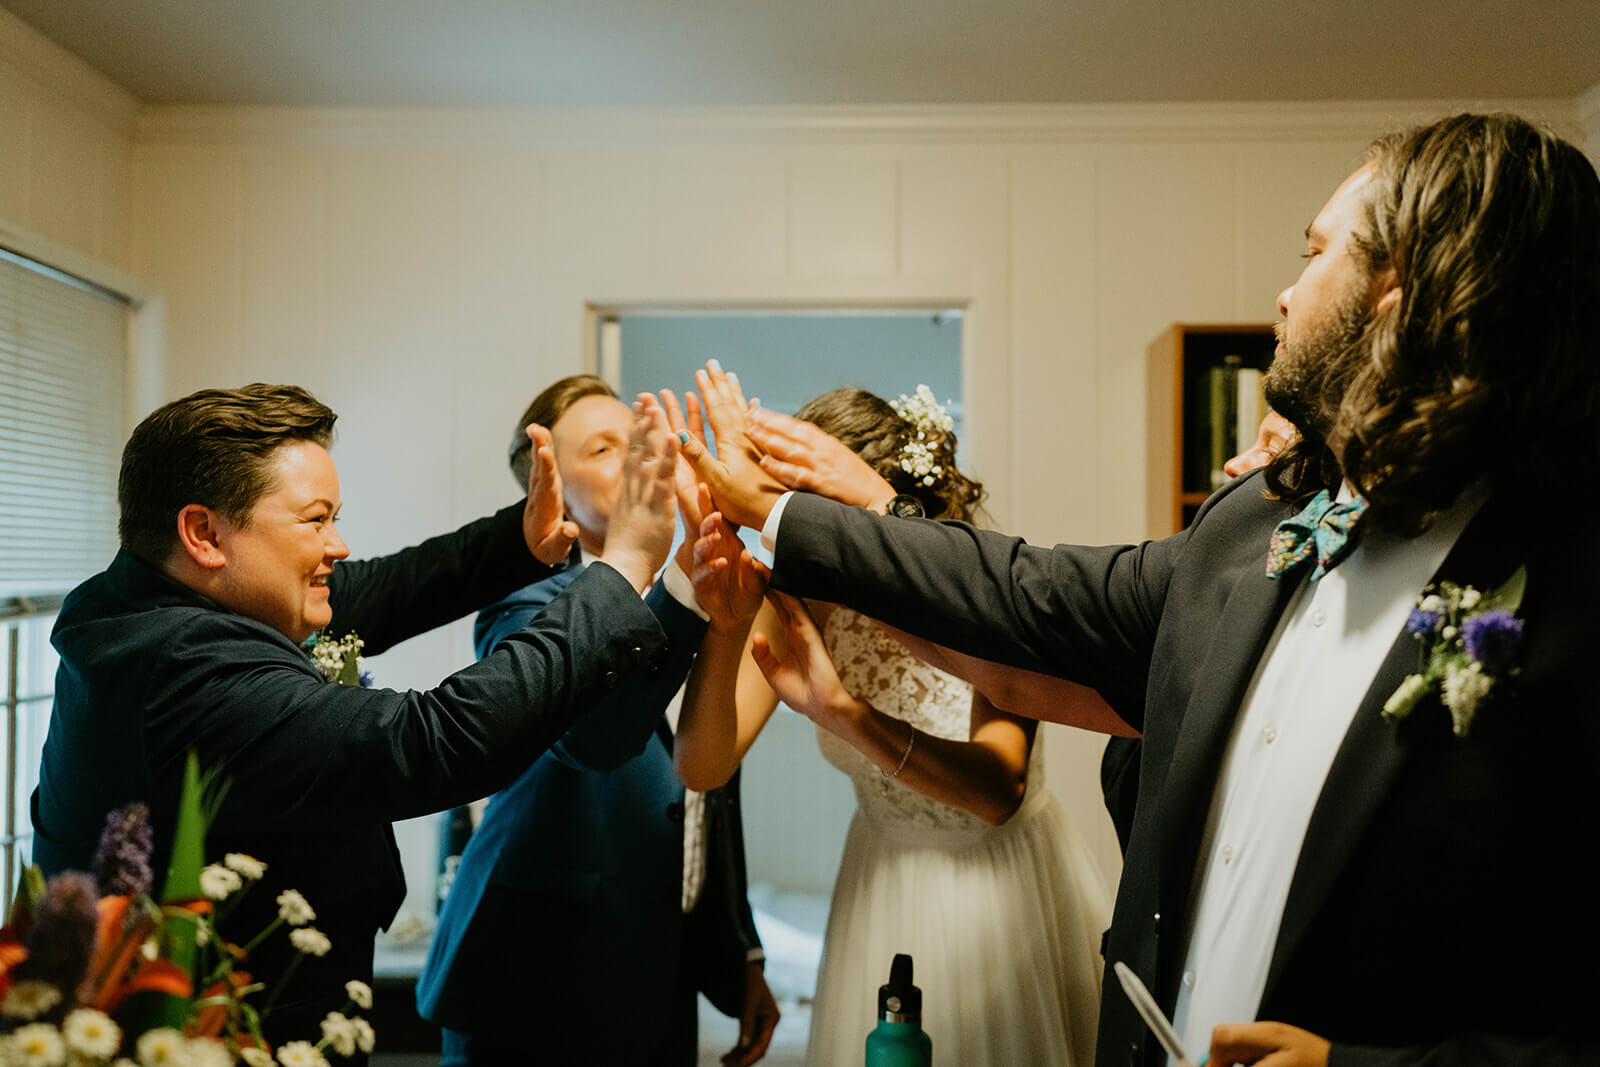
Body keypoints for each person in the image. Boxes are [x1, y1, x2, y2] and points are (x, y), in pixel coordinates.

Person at [681, 113, 1600, 1067]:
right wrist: (801, 515)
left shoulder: (1570, 592)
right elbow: (1031, 602)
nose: (1284, 295)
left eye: (1316, 253)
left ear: (1397, 293)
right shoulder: (1252, 526)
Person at [31, 382, 682, 1052]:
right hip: (222, 1031)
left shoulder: (152, 596)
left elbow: (375, 590)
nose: (337, 545)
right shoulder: (174, 666)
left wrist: (519, 538)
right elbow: (436, 740)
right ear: (203, 532)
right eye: (315, 520)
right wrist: (624, 567)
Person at [677, 381, 1115, 1066]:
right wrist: (727, 627)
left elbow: (998, 793)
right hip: (879, 882)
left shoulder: (972, 584)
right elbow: (703, 765)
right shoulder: (795, 591)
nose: (798, 543)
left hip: (997, 890)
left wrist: (846, 715)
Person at [417, 375, 779, 1066]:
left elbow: (704, 794)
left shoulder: (710, 583)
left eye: (644, 435)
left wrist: (742, 951)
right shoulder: (522, 603)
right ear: (549, 489)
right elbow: (592, 732)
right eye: (609, 446)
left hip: (653, 980)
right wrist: (678, 582)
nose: (645, 453)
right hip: (529, 980)